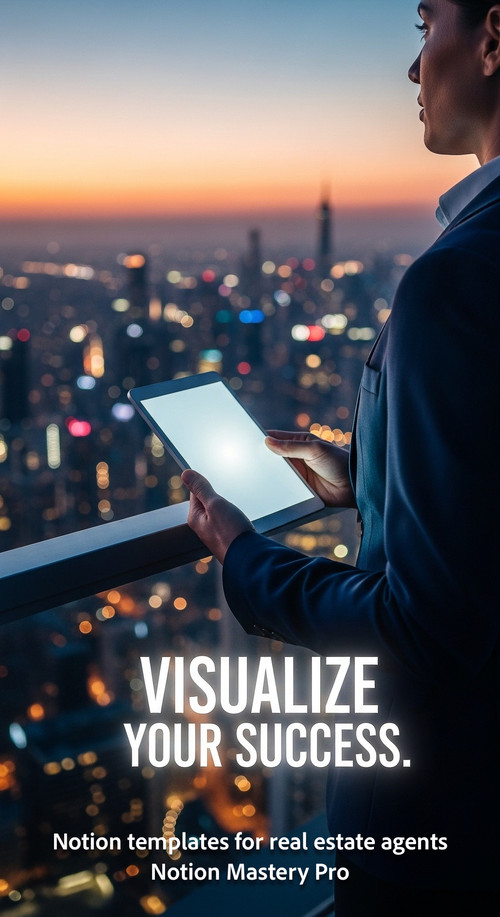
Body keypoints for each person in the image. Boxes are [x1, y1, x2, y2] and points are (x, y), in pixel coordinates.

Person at [182, 1, 500, 912]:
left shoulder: (459, 276)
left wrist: (246, 559)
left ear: (492, 36)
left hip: (438, 823)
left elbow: (426, 627)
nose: (413, 69)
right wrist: (367, 472)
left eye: (424, 24)